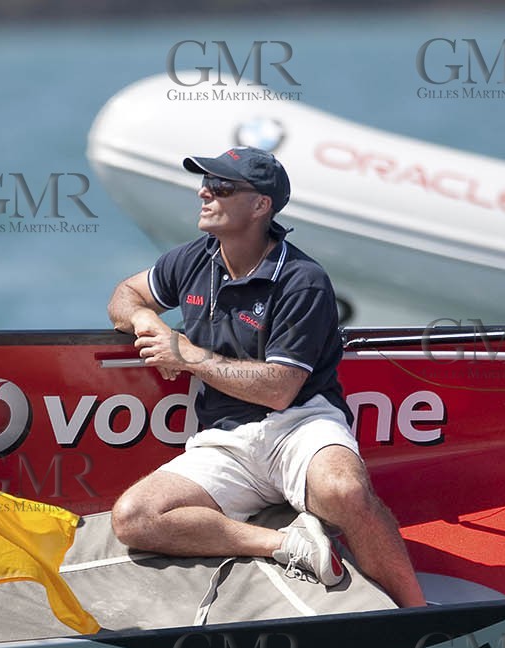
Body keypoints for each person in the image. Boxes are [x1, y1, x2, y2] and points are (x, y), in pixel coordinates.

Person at [106, 147, 427, 609]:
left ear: (261, 206)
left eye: (221, 187)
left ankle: (418, 618)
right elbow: (125, 293)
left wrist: (186, 354)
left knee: (347, 493)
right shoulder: (193, 260)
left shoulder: (304, 280)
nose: (204, 192)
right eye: (205, 183)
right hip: (225, 439)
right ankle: (284, 544)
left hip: (299, 425)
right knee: (134, 518)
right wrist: (147, 323)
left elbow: (279, 390)